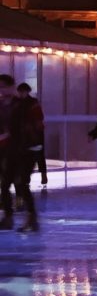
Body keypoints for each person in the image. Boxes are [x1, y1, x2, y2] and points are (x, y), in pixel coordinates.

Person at [0, 74, 41, 232]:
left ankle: (31, 218)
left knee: (22, 184)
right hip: (9, 150)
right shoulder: (2, 105)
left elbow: (27, 126)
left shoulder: (22, 105)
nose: (1, 90)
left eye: (4, 86)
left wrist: (9, 134)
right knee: (5, 184)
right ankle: (8, 217)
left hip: (23, 150)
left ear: (11, 87)